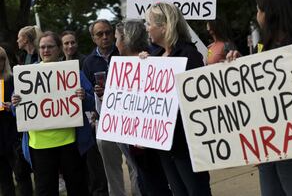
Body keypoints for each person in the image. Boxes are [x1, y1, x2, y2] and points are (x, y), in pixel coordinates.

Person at [228, 0, 292, 196]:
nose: (257, 14)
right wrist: (239, 65)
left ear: (269, 12)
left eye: (258, 9)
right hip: (271, 146)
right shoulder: (267, 45)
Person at [12, 31, 94, 195]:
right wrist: (15, 103)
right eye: (42, 47)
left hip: (70, 143)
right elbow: (17, 112)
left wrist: (84, 97)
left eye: (50, 46)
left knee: (78, 188)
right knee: (45, 191)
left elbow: (92, 103)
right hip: (39, 146)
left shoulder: (73, 72)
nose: (46, 50)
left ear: (58, 49)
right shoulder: (28, 74)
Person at [144, 2, 212, 196]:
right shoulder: (154, 56)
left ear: (164, 26)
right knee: (178, 191)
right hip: (165, 141)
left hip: (186, 141)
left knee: (196, 190)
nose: (147, 28)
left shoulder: (189, 55)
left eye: (149, 24)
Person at [115, 19, 172, 196]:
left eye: (117, 38)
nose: (115, 43)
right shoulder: (122, 67)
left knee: (155, 186)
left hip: (150, 145)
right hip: (136, 143)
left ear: (126, 40)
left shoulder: (152, 61)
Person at [83, 19, 131, 196]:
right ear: (93, 38)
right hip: (105, 120)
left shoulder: (123, 52)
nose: (105, 37)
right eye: (99, 34)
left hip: (128, 117)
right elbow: (87, 95)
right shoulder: (88, 62)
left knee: (134, 164)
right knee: (110, 167)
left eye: (108, 32)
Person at [0, 46, 33, 196]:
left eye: (1, 58)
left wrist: (12, 107)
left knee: (22, 176)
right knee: (4, 180)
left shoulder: (13, 79)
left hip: (14, 135)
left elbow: (24, 105)